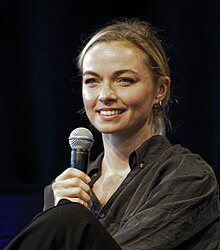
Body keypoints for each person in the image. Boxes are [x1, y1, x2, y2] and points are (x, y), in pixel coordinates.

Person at [4, 17, 220, 250]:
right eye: (92, 81)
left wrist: (64, 224)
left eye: (124, 80)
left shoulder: (187, 176)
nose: (105, 94)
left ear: (160, 89)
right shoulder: (67, 187)